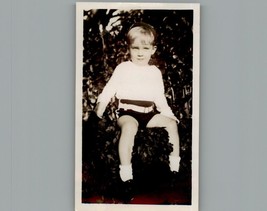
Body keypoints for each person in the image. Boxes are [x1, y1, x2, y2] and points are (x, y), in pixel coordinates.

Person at [95, 22, 181, 199]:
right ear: (129, 49)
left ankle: (174, 170)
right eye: (135, 48)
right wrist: (100, 109)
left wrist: (169, 115)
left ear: (153, 50)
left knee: (171, 124)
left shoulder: (154, 72)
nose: (140, 53)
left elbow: (159, 97)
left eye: (145, 48)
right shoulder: (123, 68)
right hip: (127, 112)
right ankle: (126, 177)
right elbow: (109, 89)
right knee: (129, 128)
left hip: (148, 113)